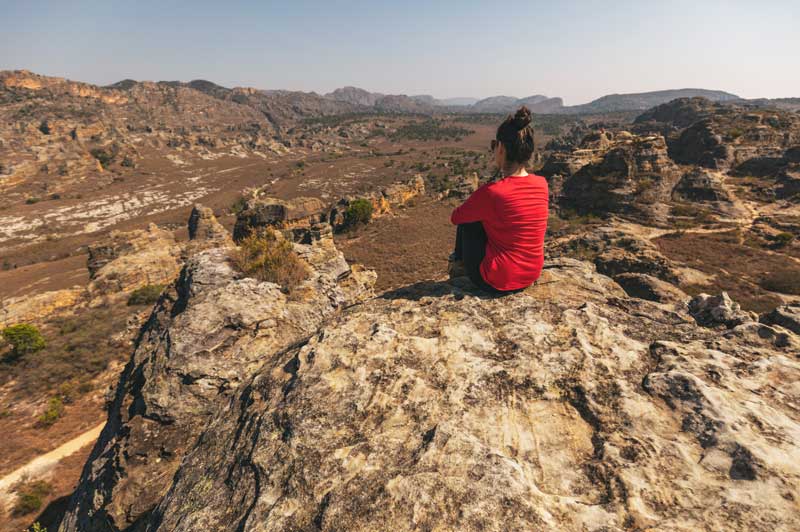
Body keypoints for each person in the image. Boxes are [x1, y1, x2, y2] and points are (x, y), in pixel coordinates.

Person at [449, 106, 548, 294]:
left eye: (495, 145)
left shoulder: (492, 192)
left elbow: (456, 218)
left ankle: (457, 265)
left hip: (496, 280)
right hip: (531, 274)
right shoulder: (542, 184)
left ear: (501, 148)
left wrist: (477, 202)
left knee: (469, 222)